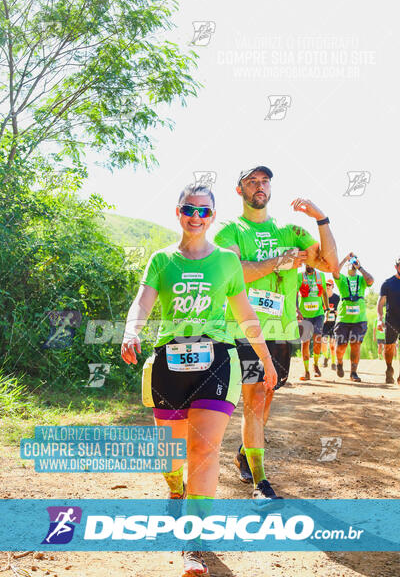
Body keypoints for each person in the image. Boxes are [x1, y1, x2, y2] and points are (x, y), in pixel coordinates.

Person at [121, 183, 277, 577]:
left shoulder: (226, 260)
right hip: (169, 361)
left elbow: (245, 314)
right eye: (189, 209)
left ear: (212, 216)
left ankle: (194, 542)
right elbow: (143, 300)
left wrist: (266, 359)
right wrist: (131, 330)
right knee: (171, 457)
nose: (196, 216)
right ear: (178, 212)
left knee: (203, 452)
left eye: (204, 211)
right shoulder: (161, 259)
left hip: (217, 360)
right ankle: (176, 488)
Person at [214, 165, 338, 498]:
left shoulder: (290, 230)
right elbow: (235, 272)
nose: (259, 186)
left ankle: (244, 451)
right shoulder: (230, 230)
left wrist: (321, 218)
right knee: (254, 398)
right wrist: (279, 262)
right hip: (244, 329)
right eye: (251, 181)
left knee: (267, 396)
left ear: (271, 188)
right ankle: (260, 481)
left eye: (264, 181)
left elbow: (330, 264)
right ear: (239, 190)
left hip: (282, 330)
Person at [332, 252, 374, 382]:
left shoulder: (361, 279)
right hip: (343, 319)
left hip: (359, 319)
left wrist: (360, 267)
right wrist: (345, 259)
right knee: (341, 346)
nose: (352, 265)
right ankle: (339, 363)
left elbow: (371, 280)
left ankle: (353, 373)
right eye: (351, 263)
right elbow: (334, 273)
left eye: (354, 263)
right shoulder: (343, 279)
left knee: (355, 344)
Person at [296, 265, 329, 380]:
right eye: (307, 263)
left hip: (318, 314)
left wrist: (327, 309)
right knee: (305, 342)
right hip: (304, 315)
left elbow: (324, 293)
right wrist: (297, 309)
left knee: (317, 340)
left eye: (311, 263)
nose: (309, 265)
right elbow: (295, 293)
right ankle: (306, 371)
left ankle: (315, 365)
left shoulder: (321, 276)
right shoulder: (299, 276)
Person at [377, 257, 400, 384]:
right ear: (396, 267)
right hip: (392, 320)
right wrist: (380, 319)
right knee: (389, 347)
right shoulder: (388, 283)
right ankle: (389, 368)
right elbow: (380, 303)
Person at [321, 279, 340, 369]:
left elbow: (341, 310)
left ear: (333, 286)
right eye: (326, 285)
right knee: (323, 343)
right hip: (324, 324)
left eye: (329, 285)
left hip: (334, 324)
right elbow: (320, 309)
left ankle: (333, 363)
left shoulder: (337, 298)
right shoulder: (322, 297)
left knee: (332, 345)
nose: (328, 287)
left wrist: (337, 312)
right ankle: (326, 357)